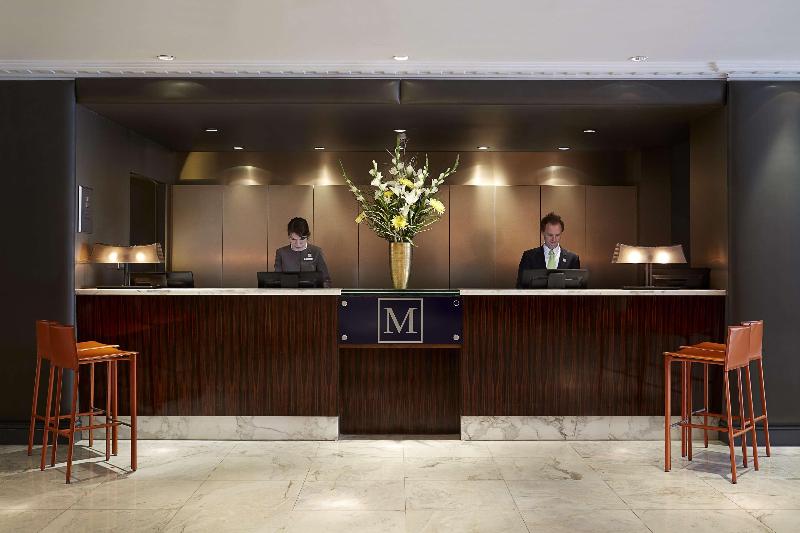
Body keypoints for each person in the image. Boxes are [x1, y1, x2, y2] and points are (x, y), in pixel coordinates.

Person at [516, 212, 581, 288]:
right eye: (550, 235)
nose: (554, 239)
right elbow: (520, 286)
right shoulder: (529, 257)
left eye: (557, 235)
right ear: (543, 233)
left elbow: (577, 288)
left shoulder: (572, 259)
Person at [274, 217, 331, 288]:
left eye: (302, 239)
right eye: (293, 239)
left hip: (312, 293)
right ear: (289, 237)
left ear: (308, 236)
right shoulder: (281, 253)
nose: (298, 244)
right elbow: (277, 280)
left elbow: (326, 280)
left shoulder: (316, 252)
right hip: (288, 293)